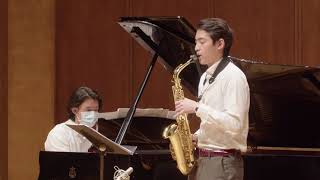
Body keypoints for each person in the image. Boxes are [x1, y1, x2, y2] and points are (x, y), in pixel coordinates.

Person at [175, 18, 250, 180]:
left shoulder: (234, 77)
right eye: (196, 42)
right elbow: (213, 121)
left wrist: (197, 108)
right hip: (203, 160)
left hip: (222, 162)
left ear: (220, 44)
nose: (196, 48)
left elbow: (235, 124)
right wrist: (196, 136)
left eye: (202, 42)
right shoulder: (205, 78)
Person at [45, 86, 102, 152]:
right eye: (88, 110)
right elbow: (62, 161)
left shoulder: (96, 136)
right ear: (75, 111)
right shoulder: (59, 133)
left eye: (96, 110)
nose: (93, 114)